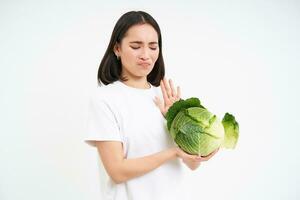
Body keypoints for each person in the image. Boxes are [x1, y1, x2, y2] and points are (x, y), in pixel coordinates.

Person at [85, 10, 218, 200]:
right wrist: (172, 152)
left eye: (153, 46)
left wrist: (176, 121)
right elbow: (117, 171)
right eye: (136, 46)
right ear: (117, 49)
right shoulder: (105, 98)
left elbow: (193, 164)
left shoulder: (166, 97)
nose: (146, 55)